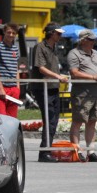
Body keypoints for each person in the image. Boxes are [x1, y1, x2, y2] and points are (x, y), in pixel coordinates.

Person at [68, 29, 97, 162]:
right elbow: (74, 73)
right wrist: (93, 76)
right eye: (91, 39)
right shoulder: (74, 54)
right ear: (83, 40)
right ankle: (76, 151)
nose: (94, 42)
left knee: (92, 121)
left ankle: (90, 151)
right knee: (78, 121)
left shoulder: (96, 54)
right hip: (82, 94)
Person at [30, 22, 69, 163]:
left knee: (54, 120)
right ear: (51, 33)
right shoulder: (40, 47)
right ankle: (44, 152)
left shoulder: (54, 47)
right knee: (49, 118)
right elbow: (40, 67)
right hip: (42, 88)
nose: (60, 36)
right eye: (58, 33)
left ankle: (47, 150)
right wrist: (58, 76)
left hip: (53, 87)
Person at [0, 22, 21, 118]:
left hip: (13, 87)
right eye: (9, 32)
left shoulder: (15, 49)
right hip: (1, 86)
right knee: (2, 117)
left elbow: (16, 69)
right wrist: (0, 88)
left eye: (13, 33)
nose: (11, 35)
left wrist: (18, 87)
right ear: (4, 32)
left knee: (12, 118)